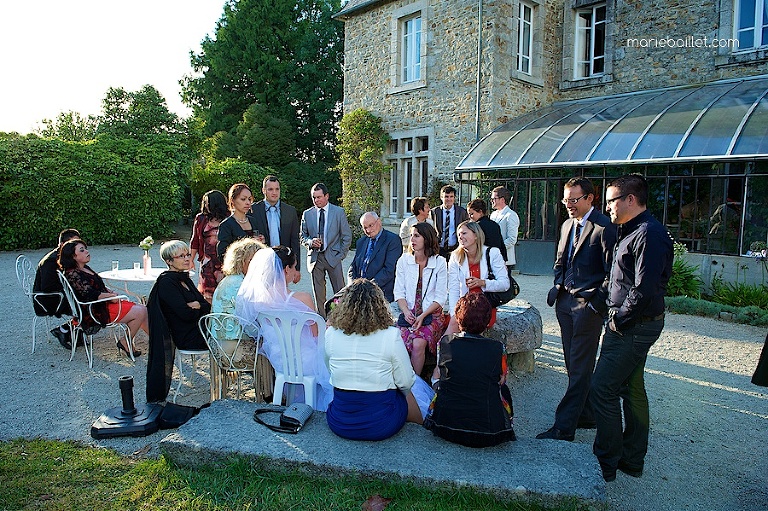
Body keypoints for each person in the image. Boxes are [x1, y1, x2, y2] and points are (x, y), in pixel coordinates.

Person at [591, 174, 673, 482]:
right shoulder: (630, 231)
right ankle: (631, 458)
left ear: (630, 199)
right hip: (630, 324)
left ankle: (606, 462)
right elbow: (618, 278)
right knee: (632, 388)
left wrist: (618, 319)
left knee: (603, 388)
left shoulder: (649, 234)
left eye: (611, 200)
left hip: (633, 327)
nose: (607, 206)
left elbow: (644, 288)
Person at [537, 177, 617, 442]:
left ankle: (564, 427)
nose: (568, 204)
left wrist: (596, 304)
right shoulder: (567, 225)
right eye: (565, 199)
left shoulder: (605, 227)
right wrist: (558, 284)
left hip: (588, 307)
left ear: (590, 198)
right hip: (565, 303)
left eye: (574, 199)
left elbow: (613, 273)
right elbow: (561, 262)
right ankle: (587, 413)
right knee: (573, 364)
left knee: (580, 367)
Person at [325, 279, 430, 440]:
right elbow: (406, 381)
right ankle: (422, 431)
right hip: (379, 424)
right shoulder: (390, 335)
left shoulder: (331, 333)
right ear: (379, 306)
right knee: (405, 392)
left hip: (340, 420)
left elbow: (330, 369)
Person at [236, 245, 333, 410]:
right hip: (307, 362)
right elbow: (317, 336)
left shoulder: (259, 301)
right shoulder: (302, 298)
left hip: (280, 360)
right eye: (294, 267)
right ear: (287, 269)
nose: (295, 271)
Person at [424, 293, 516, 447]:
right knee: (503, 389)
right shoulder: (497, 348)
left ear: (459, 319)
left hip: (445, 426)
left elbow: (439, 376)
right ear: (487, 321)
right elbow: (501, 379)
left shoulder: (445, 343)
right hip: (488, 433)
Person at [146, 240, 212, 403]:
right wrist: (198, 307)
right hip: (186, 335)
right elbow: (184, 314)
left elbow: (205, 305)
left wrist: (197, 306)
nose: (187, 258)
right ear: (169, 261)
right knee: (227, 335)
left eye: (188, 254)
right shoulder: (167, 282)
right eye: (181, 256)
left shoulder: (184, 277)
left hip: (197, 327)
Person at [58, 239, 146, 356]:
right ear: (73, 256)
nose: (87, 252)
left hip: (103, 304)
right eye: (82, 250)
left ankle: (159, 340)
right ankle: (125, 341)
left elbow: (98, 287)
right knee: (141, 312)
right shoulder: (72, 274)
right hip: (95, 310)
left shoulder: (84, 268)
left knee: (144, 310)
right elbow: (90, 294)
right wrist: (110, 296)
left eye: (86, 249)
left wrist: (110, 293)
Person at [211, 237, 273, 402]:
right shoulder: (244, 286)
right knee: (272, 351)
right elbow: (251, 326)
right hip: (234, 350)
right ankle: (268, 396)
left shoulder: (227, 281)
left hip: (217, 347)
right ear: (242, 261)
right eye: (253, 260)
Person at [394, 222, 448, 375]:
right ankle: (400, 381)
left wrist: (423, 315)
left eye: (417, 236)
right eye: (411, 236)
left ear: (427, 239)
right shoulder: (404, 260)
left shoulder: (440, 262)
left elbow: (440, 297)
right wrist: (405, 311)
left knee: (418, 344)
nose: (412, 239)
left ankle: (414, 384)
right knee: (398, 342)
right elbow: (399, 292)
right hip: (409, 312)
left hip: (431, 314)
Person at [445, 221, 509, 335]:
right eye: (459, 234)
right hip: (464, 305)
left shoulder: (492, 253)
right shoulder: (455, 256)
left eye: (464, 233)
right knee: (454, 324)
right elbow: (453, 287)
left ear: (475, 235)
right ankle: (443, 351)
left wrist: (483, 283)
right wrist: (454, 313)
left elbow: (505, 284)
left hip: (484, 306)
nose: (461, 237)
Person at [300, 182, 352, 317]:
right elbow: (302, 236)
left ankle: (341, 319)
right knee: (319, 294)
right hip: (315, 258)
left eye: (319, 197)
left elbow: (346, 236)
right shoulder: (307, 214)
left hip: (333, 257)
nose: (316, 200)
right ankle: (322, 321)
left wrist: (340, 255)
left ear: (327, 196)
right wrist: (310, 242)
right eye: (314, 197)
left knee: (340, 292)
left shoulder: (338, 212)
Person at [34, 228, 80, 349]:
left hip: (60, 295)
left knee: (91, 298)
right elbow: (48, 287)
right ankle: (65, 330)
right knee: (89, 303)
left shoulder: (67, 257)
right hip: (47, 300)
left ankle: (74, 331)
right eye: (71, 244)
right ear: (61, 244)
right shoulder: (50, 261)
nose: (75, 247)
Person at [250, 175, 301, 275]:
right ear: (263, 190)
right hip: (262, 262)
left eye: (277, 189)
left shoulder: (290, 211)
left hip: (284, 262)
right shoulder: (253, 210)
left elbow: (295, 240)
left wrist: (297, 268)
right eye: (270, 189)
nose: (274, 192)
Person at [347, 212, 402, 302]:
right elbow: (353, 267)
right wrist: (353, 285)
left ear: (379, 222)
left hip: (380, 294)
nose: (368, 230)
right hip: (358, 293)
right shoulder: (361, 241)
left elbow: (389, 270)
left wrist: (367, 288)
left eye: (371, 225)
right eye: (365, 227)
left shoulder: (392, 240)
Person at [190, 190, 228, 303]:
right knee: (207, 294)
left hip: (225, 261)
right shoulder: (201, 218)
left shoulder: (229, 217)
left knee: (224, 293)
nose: (205, 205)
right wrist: (191, 259)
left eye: (207, 202)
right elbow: (195, 239)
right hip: (207, 262)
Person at [216, 183, 257, 259]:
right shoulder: (226, 225)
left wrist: (262, 242)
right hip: (236, 268)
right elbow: (222, 254)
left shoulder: (254, 221)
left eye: (249, 199)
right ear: (233, 201)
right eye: (243, 199)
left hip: (255, 268)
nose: (248, 202)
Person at [430, 185, 469, 259]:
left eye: (451, 196)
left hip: (456, 247)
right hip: (439, 248)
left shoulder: (461, 212)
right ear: (441, 197)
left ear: (454, 198)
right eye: (446, 197)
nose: (449, 199)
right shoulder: (434, 212)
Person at [490, 186, 520, 269]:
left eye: (494, 198)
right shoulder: (493, 215)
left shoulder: (511, 215)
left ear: (502, 199)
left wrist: (497, 248)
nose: (492, 201)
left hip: (505, 259)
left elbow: (512, 239)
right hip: (492, 257)